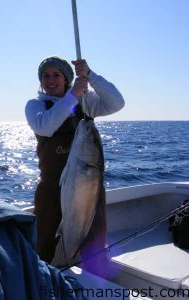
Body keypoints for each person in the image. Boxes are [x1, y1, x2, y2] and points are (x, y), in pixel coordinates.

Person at [25, 56, 125, 268]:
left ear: (67, 77)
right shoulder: (35, 106)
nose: (50, 80)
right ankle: (42, 283)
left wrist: (90, 75)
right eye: (45, 76)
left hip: (88, 187)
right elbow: (45, 127)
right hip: (51, 187)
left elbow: (117, 103)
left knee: (95, 241)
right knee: (43, 241)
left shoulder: (84, 102)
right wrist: (72, 95)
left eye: (56, 75)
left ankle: (96, 283)